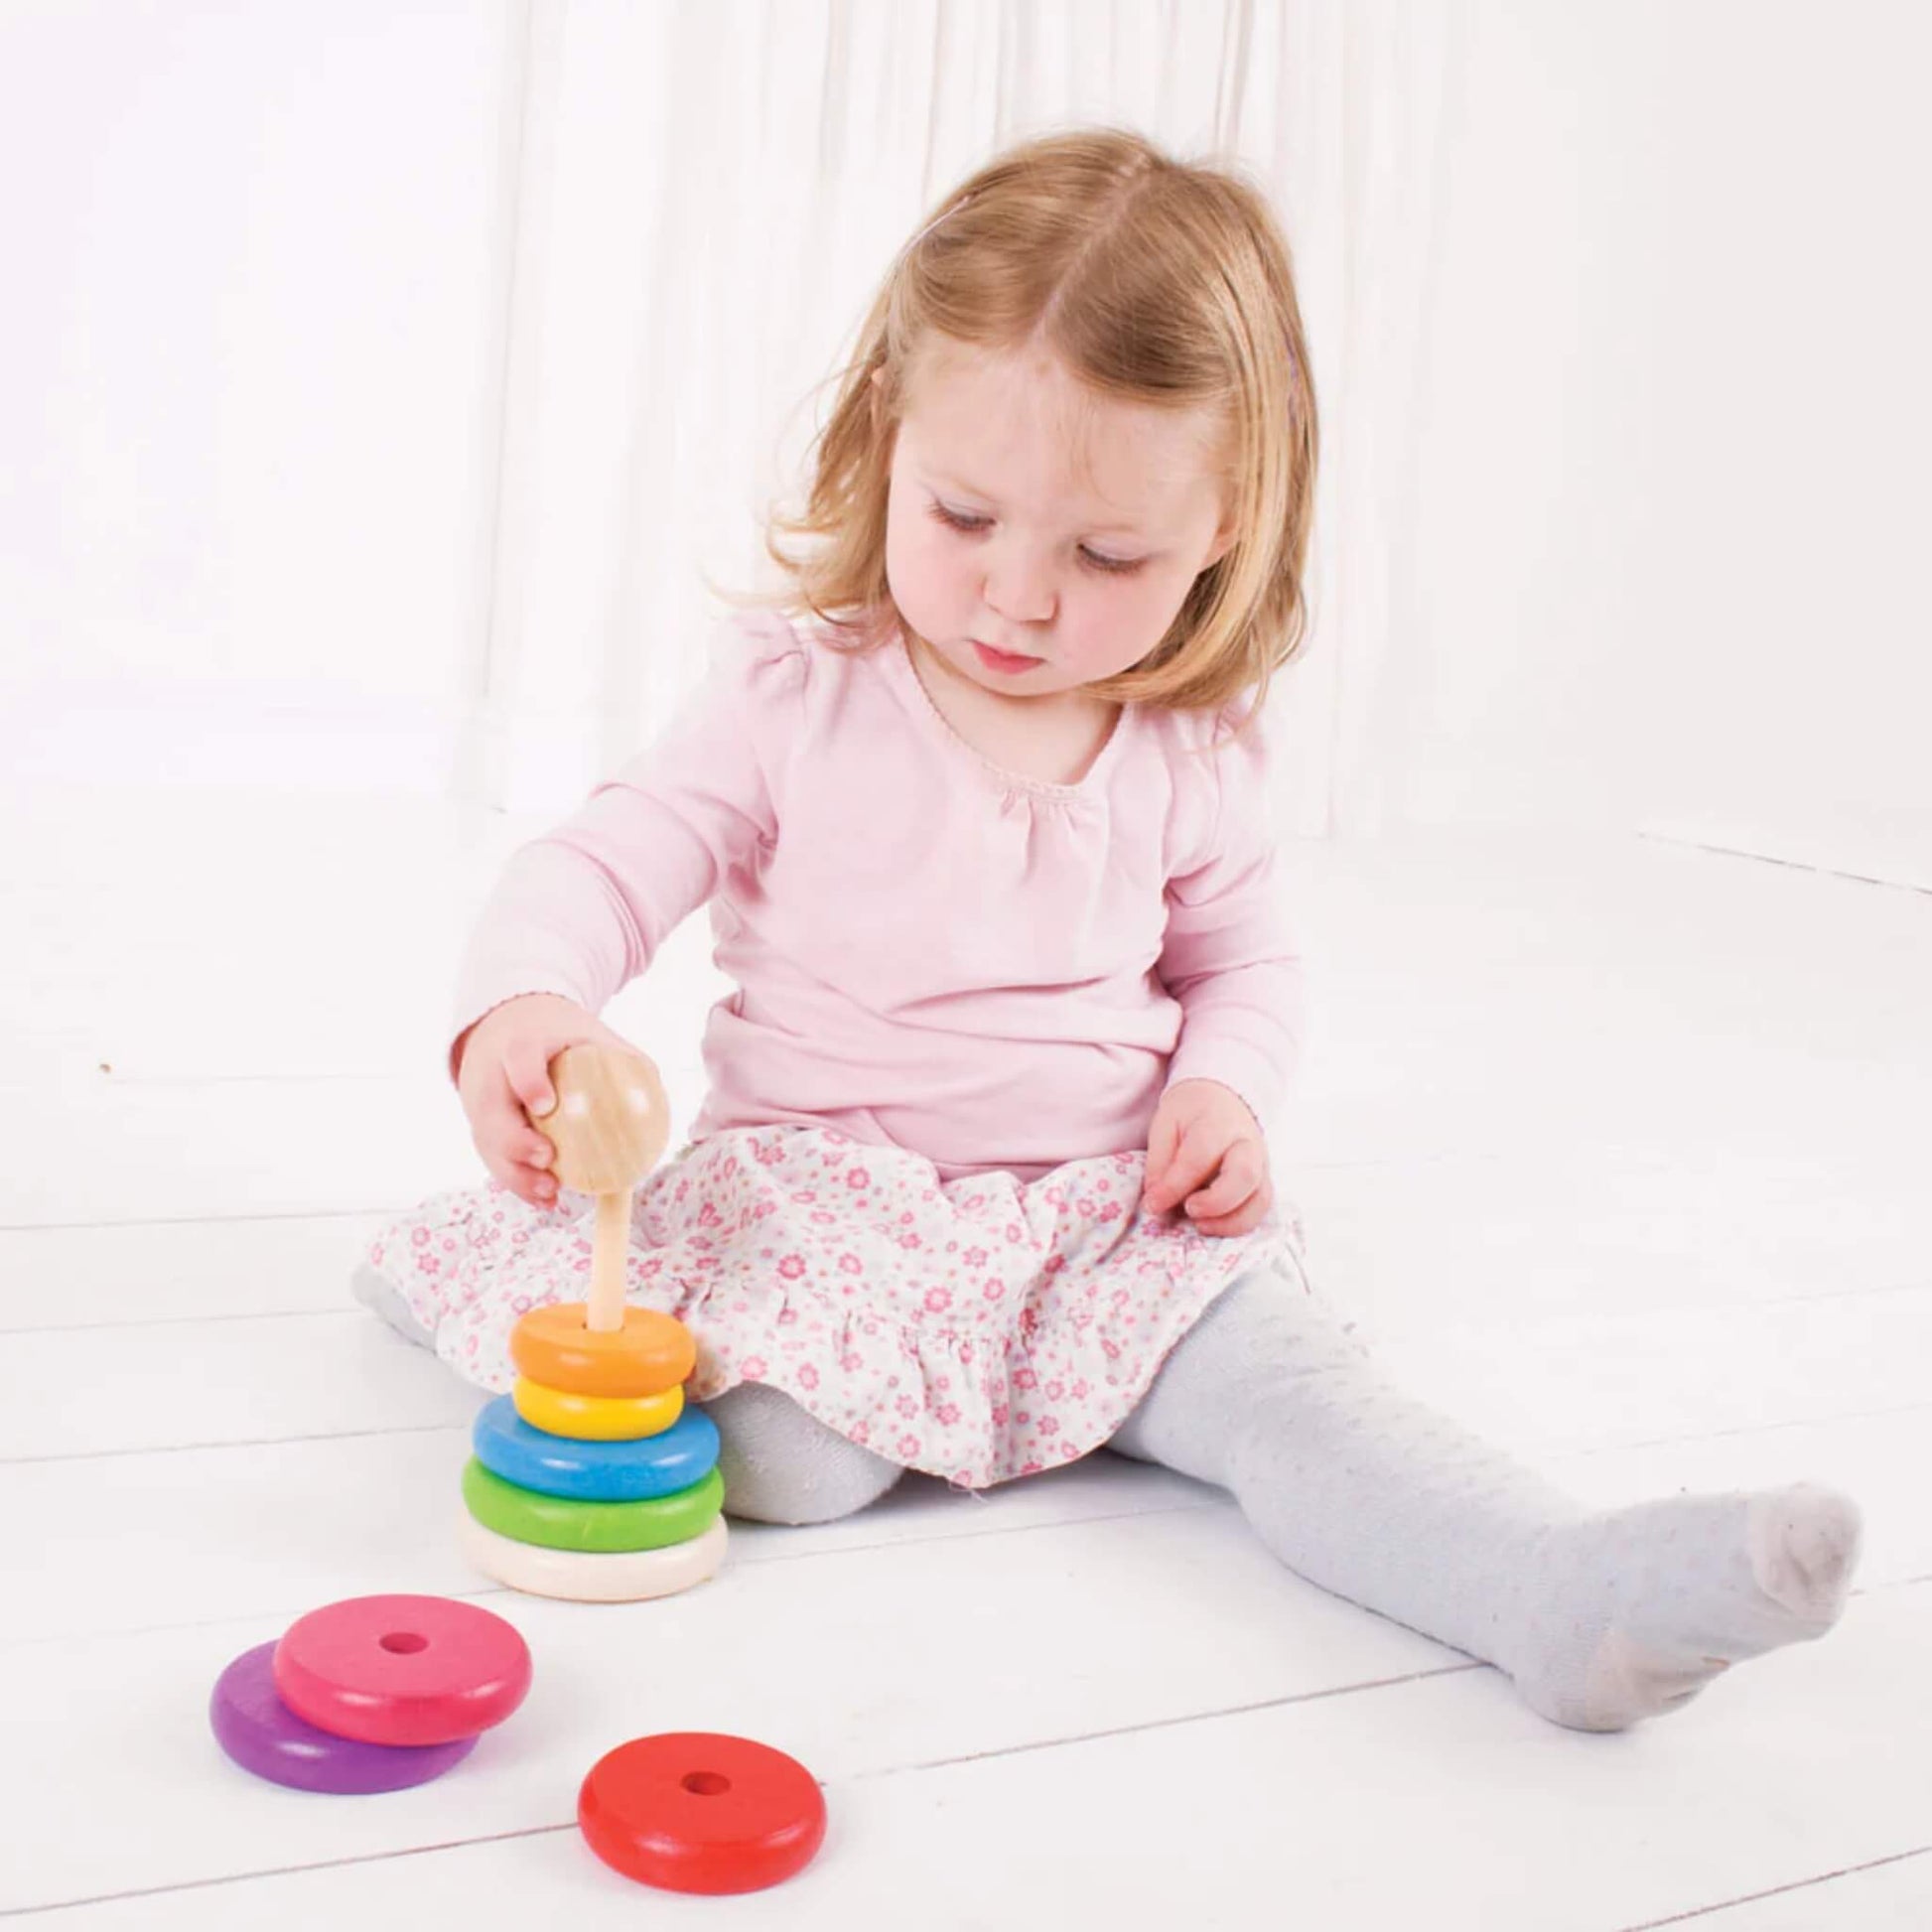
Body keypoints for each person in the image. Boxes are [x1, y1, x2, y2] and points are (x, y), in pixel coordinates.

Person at [355, 128, 1863, 1732]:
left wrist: (1221, 1090)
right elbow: (610, 858)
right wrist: (527, 1001)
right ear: (889, 430)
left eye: (1104, 553)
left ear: (1222, 522)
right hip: (828, 1203)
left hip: (1101, 1218)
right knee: (787, 1464)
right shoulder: (799, 696)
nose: (1016, 598)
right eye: (962, 515)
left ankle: (1547, 1586)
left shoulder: (1184, 751)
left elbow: (1247, 965)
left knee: (1298, 1405)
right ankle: (860, 1391)